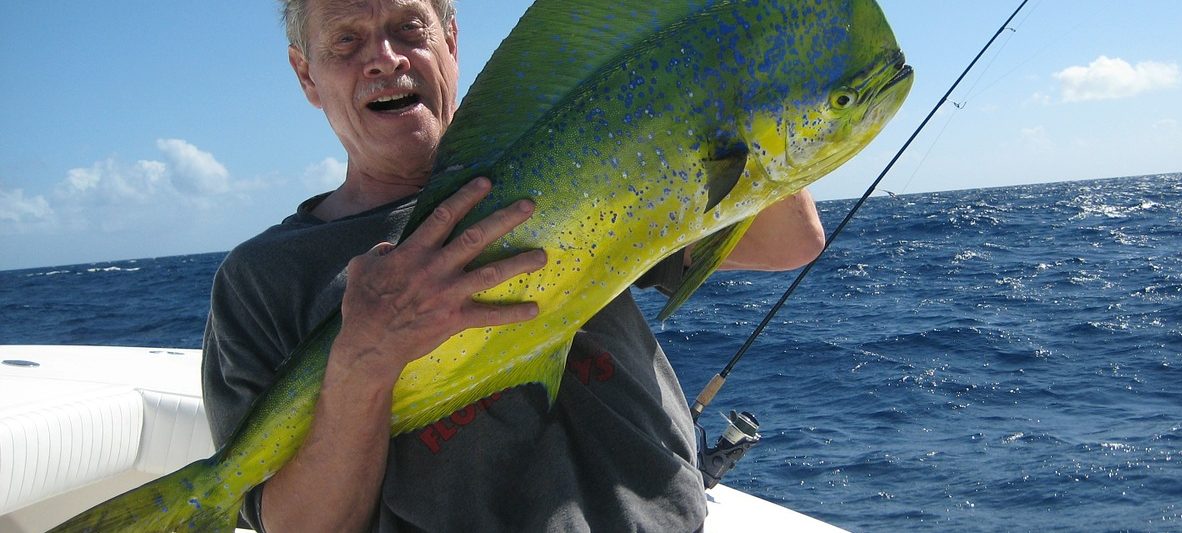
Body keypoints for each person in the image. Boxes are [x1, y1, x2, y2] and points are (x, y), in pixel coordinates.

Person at [201, 0, 826, 531]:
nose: (385, 58)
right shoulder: (262, 278)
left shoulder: (578, 166)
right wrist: (364, 359)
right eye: (345, 40)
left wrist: (732, 63)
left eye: (409, 29)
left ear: (450, 41)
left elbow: (789, 243)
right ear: (306, 76)